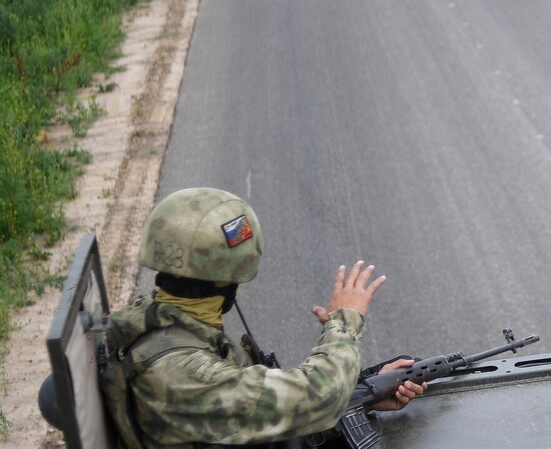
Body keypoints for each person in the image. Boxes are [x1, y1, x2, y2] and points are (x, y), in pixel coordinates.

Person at [106, 187, 426, 447]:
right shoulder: (179, 372)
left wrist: (365, 392)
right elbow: (318, 396)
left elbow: (259, 411)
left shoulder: (167, 325)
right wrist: (344, 322)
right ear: (229, 280)